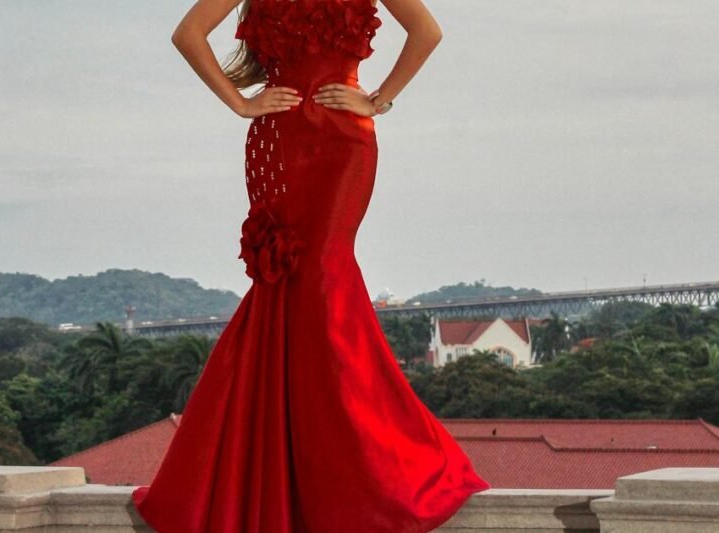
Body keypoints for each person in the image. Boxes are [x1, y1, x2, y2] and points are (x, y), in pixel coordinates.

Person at [130, 0, 491, 531]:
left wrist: (378, 100)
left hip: (344, 141)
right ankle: (282, 471)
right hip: (279, 140)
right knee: (286, 283)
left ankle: (360, 465)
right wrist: (240, 103)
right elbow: (188, 33)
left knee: (324, 274)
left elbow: (426, 31)